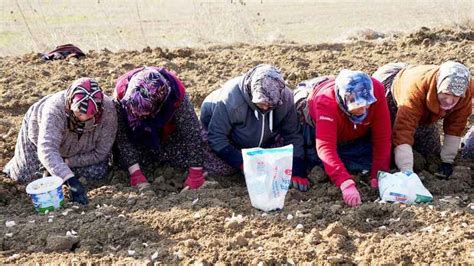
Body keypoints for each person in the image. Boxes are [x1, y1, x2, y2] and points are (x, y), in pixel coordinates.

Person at [3, 78, 117, 205]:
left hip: (81, 148)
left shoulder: (108, 112)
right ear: (70, 103)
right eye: (79, 114)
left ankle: (59, 167)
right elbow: (47, 149)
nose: (84, 119)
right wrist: (70, 180)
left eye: (90, 116)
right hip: (40, 140)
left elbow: (100, 152)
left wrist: (68, 162)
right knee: (26, 177)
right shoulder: (55, 109)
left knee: (97, 173)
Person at [200, 64, 308, 191]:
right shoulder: (231, 99)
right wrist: (242, 163)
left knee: (281, 163)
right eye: (262, 103)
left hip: (267, 139)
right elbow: (216, 136)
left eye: (271, 105)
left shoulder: (286, 98)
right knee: (221, 168)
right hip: (230, 141)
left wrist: (297, 170)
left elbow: (292, 134)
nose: (266, 108)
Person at [304, 70, 391, 207]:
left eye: (366, 104)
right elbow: (325, 146)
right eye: (357, 106)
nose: (363, 110)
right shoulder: (326, 102)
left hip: (355, 132)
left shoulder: (377, 90)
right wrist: (344, 182)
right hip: (318, 125)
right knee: (313, 161)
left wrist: (378, 174)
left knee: (371, 159)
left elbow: (383, 137)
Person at [373, 61, 472, 179]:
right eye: (446, 94)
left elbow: (456, 126)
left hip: (427, 107)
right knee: (386, 145)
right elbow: (403, 129)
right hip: (393, 91)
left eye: (455, 96)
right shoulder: (415, 90)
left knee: (431, 152)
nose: (449, 101)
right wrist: (407, 171)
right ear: (438, 87)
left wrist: (447, 161)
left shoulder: (467, 91)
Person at [113, 66, 205, 190]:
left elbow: (191, 132)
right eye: (133, 111)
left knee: (196, 157)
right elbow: (122, 136)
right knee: (122, 164)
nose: (136, 115)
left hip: (168, 135)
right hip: (137, 137)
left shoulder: (176, 96)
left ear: (158, 105)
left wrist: (195, 173)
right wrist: (135, 173)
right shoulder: (122, 95)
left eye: (142, 113)